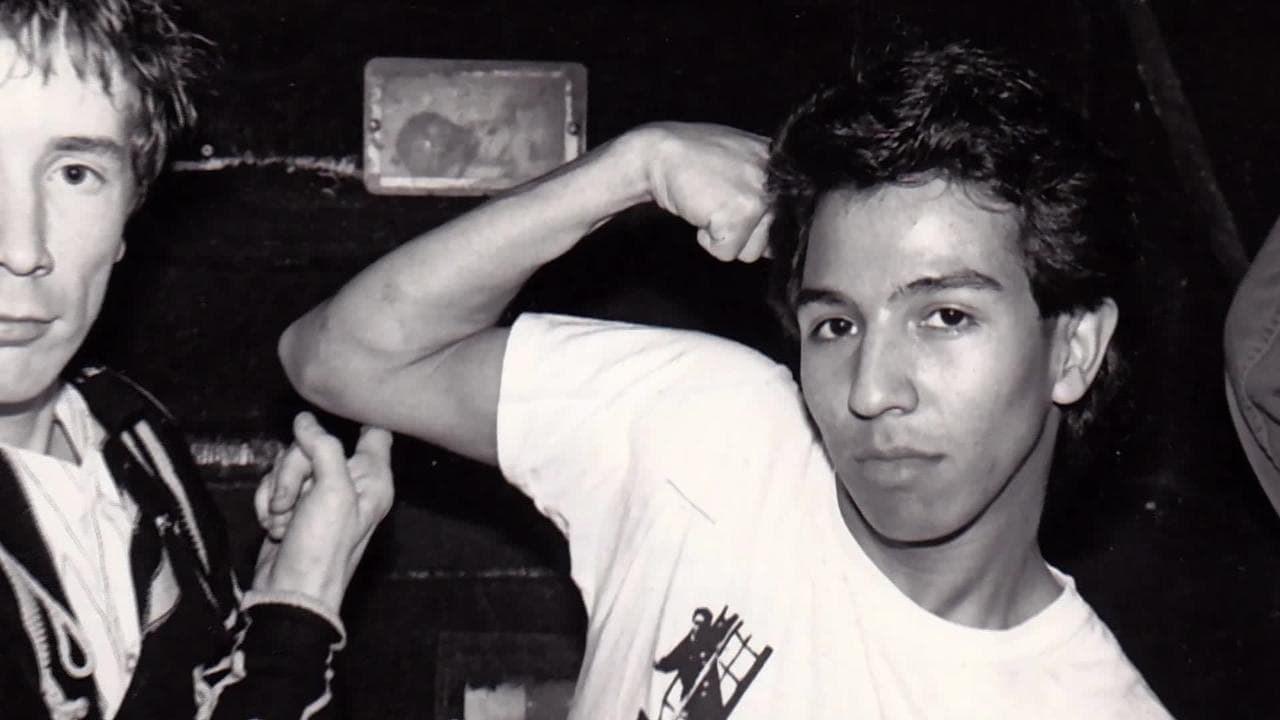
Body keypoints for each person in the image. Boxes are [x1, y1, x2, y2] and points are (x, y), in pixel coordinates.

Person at [281, 43, 1170, 718]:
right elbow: (341, 357)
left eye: (944, 317)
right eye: (836, 325)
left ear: (1074, 349)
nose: (870, 390)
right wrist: (631, 168)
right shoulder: (715, 432)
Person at [0, 2, 395, 718]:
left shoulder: (129, 431)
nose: (23, 248)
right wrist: (297, 612)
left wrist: (271, 594)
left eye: (76, 173)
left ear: (129, 215)